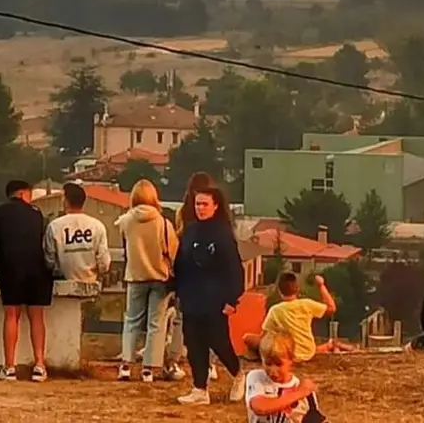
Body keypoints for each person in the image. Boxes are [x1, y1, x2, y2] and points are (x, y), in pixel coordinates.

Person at [173, 185, 245, 405]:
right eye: (197, 204)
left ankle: (238, 375)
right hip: (192, 298)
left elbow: (234, 268)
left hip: (215, 299)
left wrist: (232, 299)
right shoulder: (190, 231)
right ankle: (199, 389)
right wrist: (177, 290)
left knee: (219, 342)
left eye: (205, 204)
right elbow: (181, 263)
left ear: (215, 206)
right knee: (194, 344)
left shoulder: (222, 234)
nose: (200, 208)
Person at [242, 272, 334, 417]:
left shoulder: (275, 310)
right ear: (297, 289)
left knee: (248, 338)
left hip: (287, 350)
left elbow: (265, 336)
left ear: (279, 290)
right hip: (308, 351)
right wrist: (321, 286)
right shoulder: (306, 304)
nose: (272, 371)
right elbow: (331, 308)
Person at [114, 179, 179, 383]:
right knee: (156, 323)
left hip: (135, 276)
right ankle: (148, 369)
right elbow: (173, 252)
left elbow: (123, 240)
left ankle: (125, 365)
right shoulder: (163, 223)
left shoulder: (125, 221)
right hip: (159, 278)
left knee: (131, 320)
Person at [0, 179, 53, 382]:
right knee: (37, 316)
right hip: (36, 268)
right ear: (25, 194)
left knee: (11, 316)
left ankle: (9, 367)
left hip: (10, 267)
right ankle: (40, 365)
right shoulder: (36, 213)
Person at [244, 335, 327, 423]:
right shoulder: (257, 378)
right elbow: (260, 408)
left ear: (291, 360)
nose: (272, 370)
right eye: (268, 364)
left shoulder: (304, 389)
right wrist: (299, 393)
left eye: (278, 364)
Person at [44, 183, 111, 284]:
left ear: (65, 201)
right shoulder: (98, 226)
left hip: (61, 286)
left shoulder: (54, 226)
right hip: (91, 285)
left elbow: (49, 262)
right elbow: (104, 263)